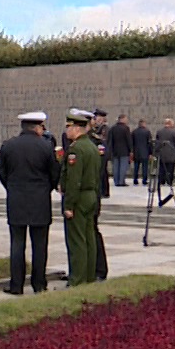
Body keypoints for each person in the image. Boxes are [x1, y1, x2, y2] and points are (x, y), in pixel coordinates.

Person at [0, 111, 58, 294]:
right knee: (40, 246)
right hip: (40, 201)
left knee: (17, 244)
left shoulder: (8, 146)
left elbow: (2, 172)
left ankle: (16, 285)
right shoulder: (46, 147)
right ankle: (39, 284)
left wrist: (12, 188)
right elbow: (54, 174)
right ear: (38, 127)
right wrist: (45, 189)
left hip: (16, 201)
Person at [60, 110, 103, 286]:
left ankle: (77, 279)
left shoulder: (76, 149)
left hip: (79, 197)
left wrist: (69, 205)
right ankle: (89, 276)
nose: (66, 131)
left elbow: (74, 180)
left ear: (76, 128)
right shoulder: (92, 146)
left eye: (68, 127)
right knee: (89, 238)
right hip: (91, 195)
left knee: (77, 240)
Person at [106, 114, 133, 187]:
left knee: (115, 167)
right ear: (122, 119)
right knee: (123, 167)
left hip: (115, 150)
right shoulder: (126, 128)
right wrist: (131, 150)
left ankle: (116, 181)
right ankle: (121, 181)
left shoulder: (112, 128)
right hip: (124, 150)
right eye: (125, 119)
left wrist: (110, 150)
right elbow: (128, 140)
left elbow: (109, 140)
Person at [154, 119, 175, 188]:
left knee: (162, 168)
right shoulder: (174, 131)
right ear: (171, 124)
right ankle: (169, 181)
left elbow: (157, 142)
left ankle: (161, 181)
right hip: (171, 152)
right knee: (170, 168)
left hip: (162, 152)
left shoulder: (159, 131)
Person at [130, 119, 151, 186]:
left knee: (136, 167)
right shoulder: (147, 132)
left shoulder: (134, 132)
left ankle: (135, 180)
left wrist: (132, 151)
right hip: (145, 152)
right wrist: (150, 152)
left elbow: (131, 142)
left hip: (136, 152)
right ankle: (144, 180)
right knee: (144, 167)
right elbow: (149, 143)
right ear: (144, 124)